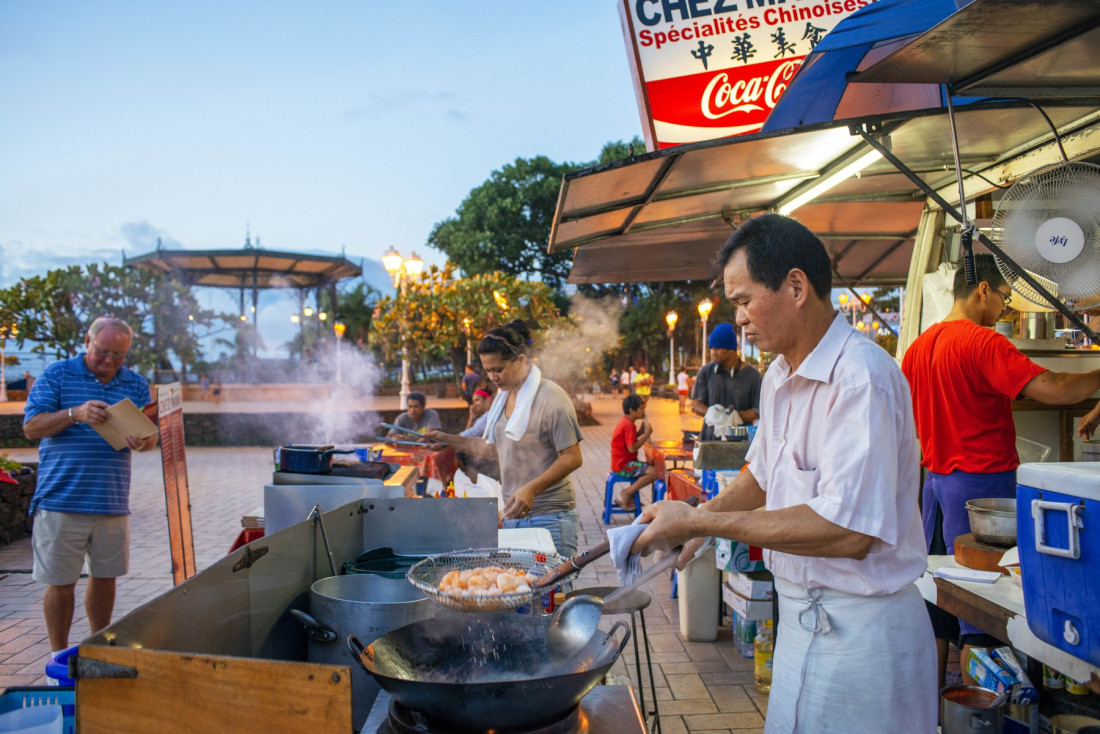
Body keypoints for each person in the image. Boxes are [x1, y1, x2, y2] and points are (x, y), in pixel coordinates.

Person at [630, 214, 936, 732]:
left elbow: (849, 531)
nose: (739, 319)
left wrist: (701, 522)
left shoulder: (861, 378)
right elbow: (764, 474)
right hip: (798, 621)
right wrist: (699, 518)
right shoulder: (777, 376)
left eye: (744, 301)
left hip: (863, 635)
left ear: (796, 286)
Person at [901, 253, 1100, 689]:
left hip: (934, 488)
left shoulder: (918, 348)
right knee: (982, 611)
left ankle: (933, 710)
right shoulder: (983, 343)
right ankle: (980, 713)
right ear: (983, 290)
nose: (1004, 310)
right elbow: (1055, 389)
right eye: (1004, 299)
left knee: (939, 602)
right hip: (982, 493)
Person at [22, 316, 159, 661]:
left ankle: (98, 650)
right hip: (61, 499)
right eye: (102, 352)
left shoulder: (136, 383)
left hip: (111, 500)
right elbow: (31, 427)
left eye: (118, 355)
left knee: (105, 578)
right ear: (87, 341)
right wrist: (75, 414)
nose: (110, 361)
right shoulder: (56, 375)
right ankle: (57, 658)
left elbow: (151, 438)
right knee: (61, 583)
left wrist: (142, 442)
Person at [426, 320, 583, 557]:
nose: (493, 377)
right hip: (513, 515)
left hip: (550, 517)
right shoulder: (503, 399)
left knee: (553, 583)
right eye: (488, 371)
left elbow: (572, 457)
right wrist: (448, 440)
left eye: (498, 369)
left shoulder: (551, 398)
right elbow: (494, 450)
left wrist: (531, 489)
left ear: (521, 360)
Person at [692, 322, 762, 440]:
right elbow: (697, 405)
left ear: (732, 349)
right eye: (711, 348)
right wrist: (716, 415)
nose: (713, 352)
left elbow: (758, 411)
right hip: (709, 441)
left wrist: (734, 416)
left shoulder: (753, 376)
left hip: (740, 443)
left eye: (718, 348)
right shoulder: (705, 372)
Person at [610, 394, 656, 512]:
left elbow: (630, 440)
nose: (643, 411)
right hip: (624, 465)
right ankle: (627, 493)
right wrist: (646, 435)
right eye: (641, 408)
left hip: (620, 463)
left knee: (650, 469)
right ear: (632, 410)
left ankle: (631, 496)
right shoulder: (628, 425)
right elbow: (632, 448)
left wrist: (640, 432)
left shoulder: (625, 422)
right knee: (654, 472)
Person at [458, 381, 500, 481]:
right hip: (482, 454)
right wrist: (471, 418)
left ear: (488, 400)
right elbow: (467, 435)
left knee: (456, 453)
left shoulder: (489, 416)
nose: (474, 405)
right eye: (473, 402)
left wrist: (449, 439)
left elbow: (471, 433)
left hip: (490, 457)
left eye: (477, 400)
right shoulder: (482, 417)